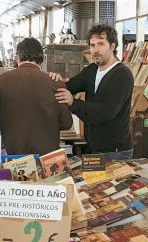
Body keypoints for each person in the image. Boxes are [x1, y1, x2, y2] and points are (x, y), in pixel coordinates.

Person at [51, 24, 135, 154]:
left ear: (112, 46)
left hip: (115, 151)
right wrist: (54, 80)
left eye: (101, 44)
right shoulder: (92, 70)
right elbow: (69, 86)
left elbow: (106, 111)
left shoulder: (122, 75)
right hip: (93, 147)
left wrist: (73, 103)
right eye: (92, 45)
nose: (95, 50)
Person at [0, 37, 73, 156]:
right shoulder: (56, 83)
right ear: (42, 59)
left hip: (13, 159)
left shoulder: (0, 82)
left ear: (18, 57)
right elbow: (66, 123)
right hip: (47, 160)